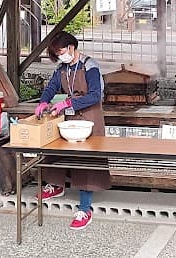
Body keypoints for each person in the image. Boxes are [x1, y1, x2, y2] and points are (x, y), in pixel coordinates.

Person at [34, 31, 111, 230]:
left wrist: (68, 102)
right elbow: (52, 87)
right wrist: (43, 102)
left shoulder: (90, 66)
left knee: (87, 161)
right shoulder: (62, 68)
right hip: (69, 117)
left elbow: (95, 95)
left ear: (71, 47)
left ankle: (85, 208)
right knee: (55, 149)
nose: (60, 57)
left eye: (60, 52)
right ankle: (55, 185)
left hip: (90, 116)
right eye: (57, 55)